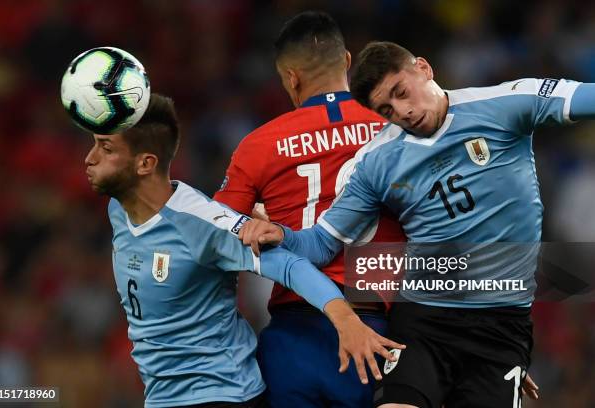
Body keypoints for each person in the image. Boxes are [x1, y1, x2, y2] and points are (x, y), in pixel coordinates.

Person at [237, 41, 589, 407]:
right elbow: (323, 243)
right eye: (386, 109)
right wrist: (282, 234)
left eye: (401, 92)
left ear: (423, 68)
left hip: (501, 327)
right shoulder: (376, 160)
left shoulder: (507, 103)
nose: (403, 111)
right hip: (425, 322)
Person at [80, 93, 404, 407]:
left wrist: (345, 320)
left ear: (145, 163)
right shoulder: (119, 208)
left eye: (105, 148)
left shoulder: (203, 224)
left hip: (225, 394)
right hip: (163, 397)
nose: (89, 157)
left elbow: (291, 266)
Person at [213, 11, 405, 408]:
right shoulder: (396, 131)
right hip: (376, 336)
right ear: (348, 62)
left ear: (291, 78)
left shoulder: (258, 145)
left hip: (291, 343)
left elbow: (216, 235)